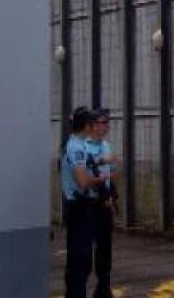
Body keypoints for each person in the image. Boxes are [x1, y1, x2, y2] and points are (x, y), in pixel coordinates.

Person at [62, 107, 107, 298]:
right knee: (80, 259)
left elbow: (87, 165)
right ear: (87, 125)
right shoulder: (76, 147)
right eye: (92, 122)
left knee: (80, 258)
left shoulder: (77, 144)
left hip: (80, 206)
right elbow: (81, 180)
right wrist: (100, 179)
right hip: (79, 206)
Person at [86, 109, 119, 298]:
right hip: (90, 200)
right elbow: (88, 171)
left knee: (105, 245)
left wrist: (111, 196)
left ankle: (103, 284)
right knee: (85, 246)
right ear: (92, 125)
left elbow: (109, 172)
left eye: (107, 122)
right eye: (103, 122)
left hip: (105, 200)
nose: (107, 126)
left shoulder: (105, 145)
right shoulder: (85, 146)